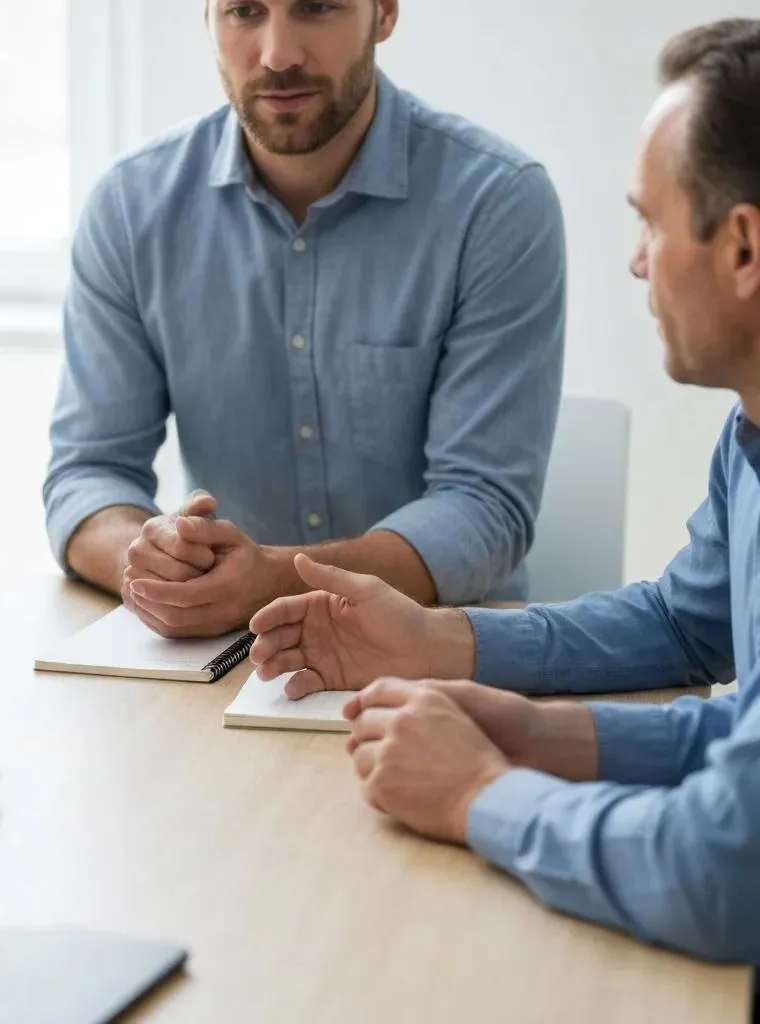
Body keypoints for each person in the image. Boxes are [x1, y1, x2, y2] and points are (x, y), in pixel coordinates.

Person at [250, 16, 760, 992]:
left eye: (649, 222)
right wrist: (485, 688)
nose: (636, 262)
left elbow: (722, 866)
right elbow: (695, 648)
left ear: (741, 248)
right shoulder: (749, 436)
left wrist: (481, 790)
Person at [44, 0, 566, 639]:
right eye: (244, 12)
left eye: (316, 7)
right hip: (220, 658)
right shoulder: (131, 208)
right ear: (205, 18)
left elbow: (485, 508)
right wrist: (151, 561)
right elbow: (88, 472)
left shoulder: (495, 202)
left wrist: (276, 577)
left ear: (384, 14)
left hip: (440, 653)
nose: (277, 54)